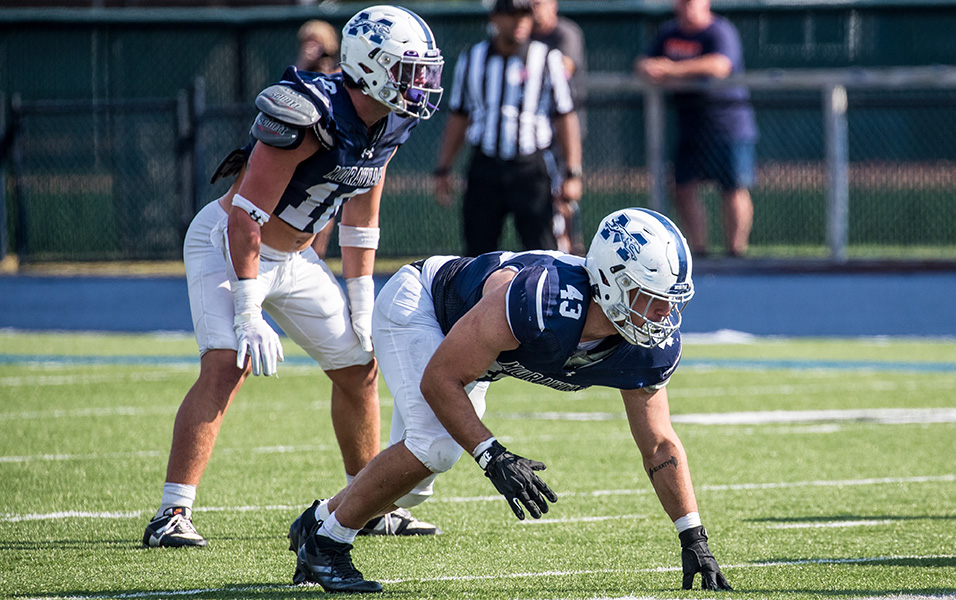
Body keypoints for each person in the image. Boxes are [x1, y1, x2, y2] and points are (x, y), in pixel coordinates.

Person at [289, 207, 733, 593]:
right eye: (652, 299)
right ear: (611, 282)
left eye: (668, 302)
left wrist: (693, 536)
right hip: (421, 306)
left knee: (415, 487)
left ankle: (319, 519)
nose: (663, 315)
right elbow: (440, 379)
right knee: (435, 446)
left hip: (476, 353)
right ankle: (328, 545)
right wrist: (492, 455)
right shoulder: (542, 298)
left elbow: (658, 444)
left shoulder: (646, 348)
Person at [142, 5, 445, 549]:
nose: (419, 82)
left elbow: (361, 217)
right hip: (229, 246)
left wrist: (360, 299)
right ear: (370, 66)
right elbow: (245, 218)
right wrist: (247, 309)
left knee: (359, 366)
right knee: (225, 364)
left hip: (296, 259)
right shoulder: (307, 111)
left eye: (422, 70)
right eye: (407, 69)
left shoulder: (392, 119)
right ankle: (171, 513)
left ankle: (365, 503)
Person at [434, 0, 582, 257]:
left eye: (525, 15)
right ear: (494, 18)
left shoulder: (547, 59)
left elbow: (565, 118)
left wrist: (572, 173)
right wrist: (444, 168)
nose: (519, 22)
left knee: (545, 252)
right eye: (511, 14)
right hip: (485, 166)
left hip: (531, 168)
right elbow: (459, 115)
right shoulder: (472, 58)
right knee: (477, 254)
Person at [634, 0, 757, 258]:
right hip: (689, 126)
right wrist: (652, 68)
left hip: (727, 125)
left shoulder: (719, 31)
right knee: (683, 189)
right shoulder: (669, 33)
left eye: (692, 1)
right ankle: (699, 252)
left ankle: (736, 253)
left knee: (733, 188)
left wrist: (671, 70)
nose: (686, 6)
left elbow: (719, 66)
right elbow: (644, 63)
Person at [531, 0, 588, 256]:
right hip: (531, 136)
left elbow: (565, 67)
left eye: (538, 3)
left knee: (565, 195)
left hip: (561, 134)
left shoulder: (565, 33)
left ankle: (571, 250)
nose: (533, 9)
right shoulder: (524, 36)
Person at [294, 19, 341, 260]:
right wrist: (304, 62)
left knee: (325, 210)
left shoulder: (340, 78)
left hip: (331, 154)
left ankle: (315, 258)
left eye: (317, 42)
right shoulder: (298, 77)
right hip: (299, 154)